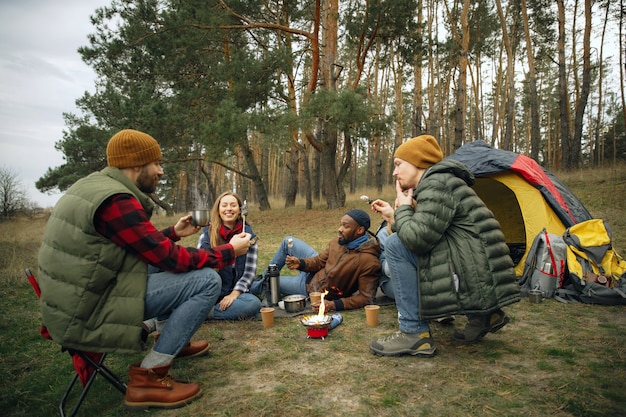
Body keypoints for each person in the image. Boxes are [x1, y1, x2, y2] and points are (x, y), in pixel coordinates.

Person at [37, 129, 252, 410]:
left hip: (74, 302)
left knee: (152, 264)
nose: (161, 172)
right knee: (207, 280)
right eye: (157, 164)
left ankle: (174, 337)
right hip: (90, 310)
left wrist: (172, 233)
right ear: (137, 164)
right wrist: (229, 252)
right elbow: (171, 260)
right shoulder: (117, 201)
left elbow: (139, 245)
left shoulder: (94, 188)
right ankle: (149, 376)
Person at [368, 134, 520, 357]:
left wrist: (404, 209)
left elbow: (417, 240)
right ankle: (485, 315)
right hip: (477, 268)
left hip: (474, 271)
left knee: (394, 246)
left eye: (399, 165)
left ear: (418, 162)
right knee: (398, 241)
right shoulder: (442, 182)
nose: (394, 172)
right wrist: (394, 216)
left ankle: (413, 333)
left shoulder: (436, 184)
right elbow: (426, 230)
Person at [262, 209, 382, 312]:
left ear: (360, 230)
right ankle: (259, 280)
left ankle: (254, 283)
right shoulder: (338, 241)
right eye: (340, 224)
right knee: (287, 241)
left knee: (268, 281)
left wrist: (334, 305)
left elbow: (366, 298)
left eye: (346, 226)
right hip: (315, 273)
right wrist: (301, 263)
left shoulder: (369, 261)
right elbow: (319, 261)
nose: (339, 229)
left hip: (311, 288)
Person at [197, 192, 262, 320]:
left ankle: (206, 313)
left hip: (235, 291)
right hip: (210, 292)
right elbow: (201, 271)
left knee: (253, 304)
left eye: (233, 205)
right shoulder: (207, 236)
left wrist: (234, 294)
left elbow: (249, 273)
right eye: (224, 205)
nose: (229, 209)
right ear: (218, 210)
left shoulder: (249, 236)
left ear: (240, 210)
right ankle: (204, 309)